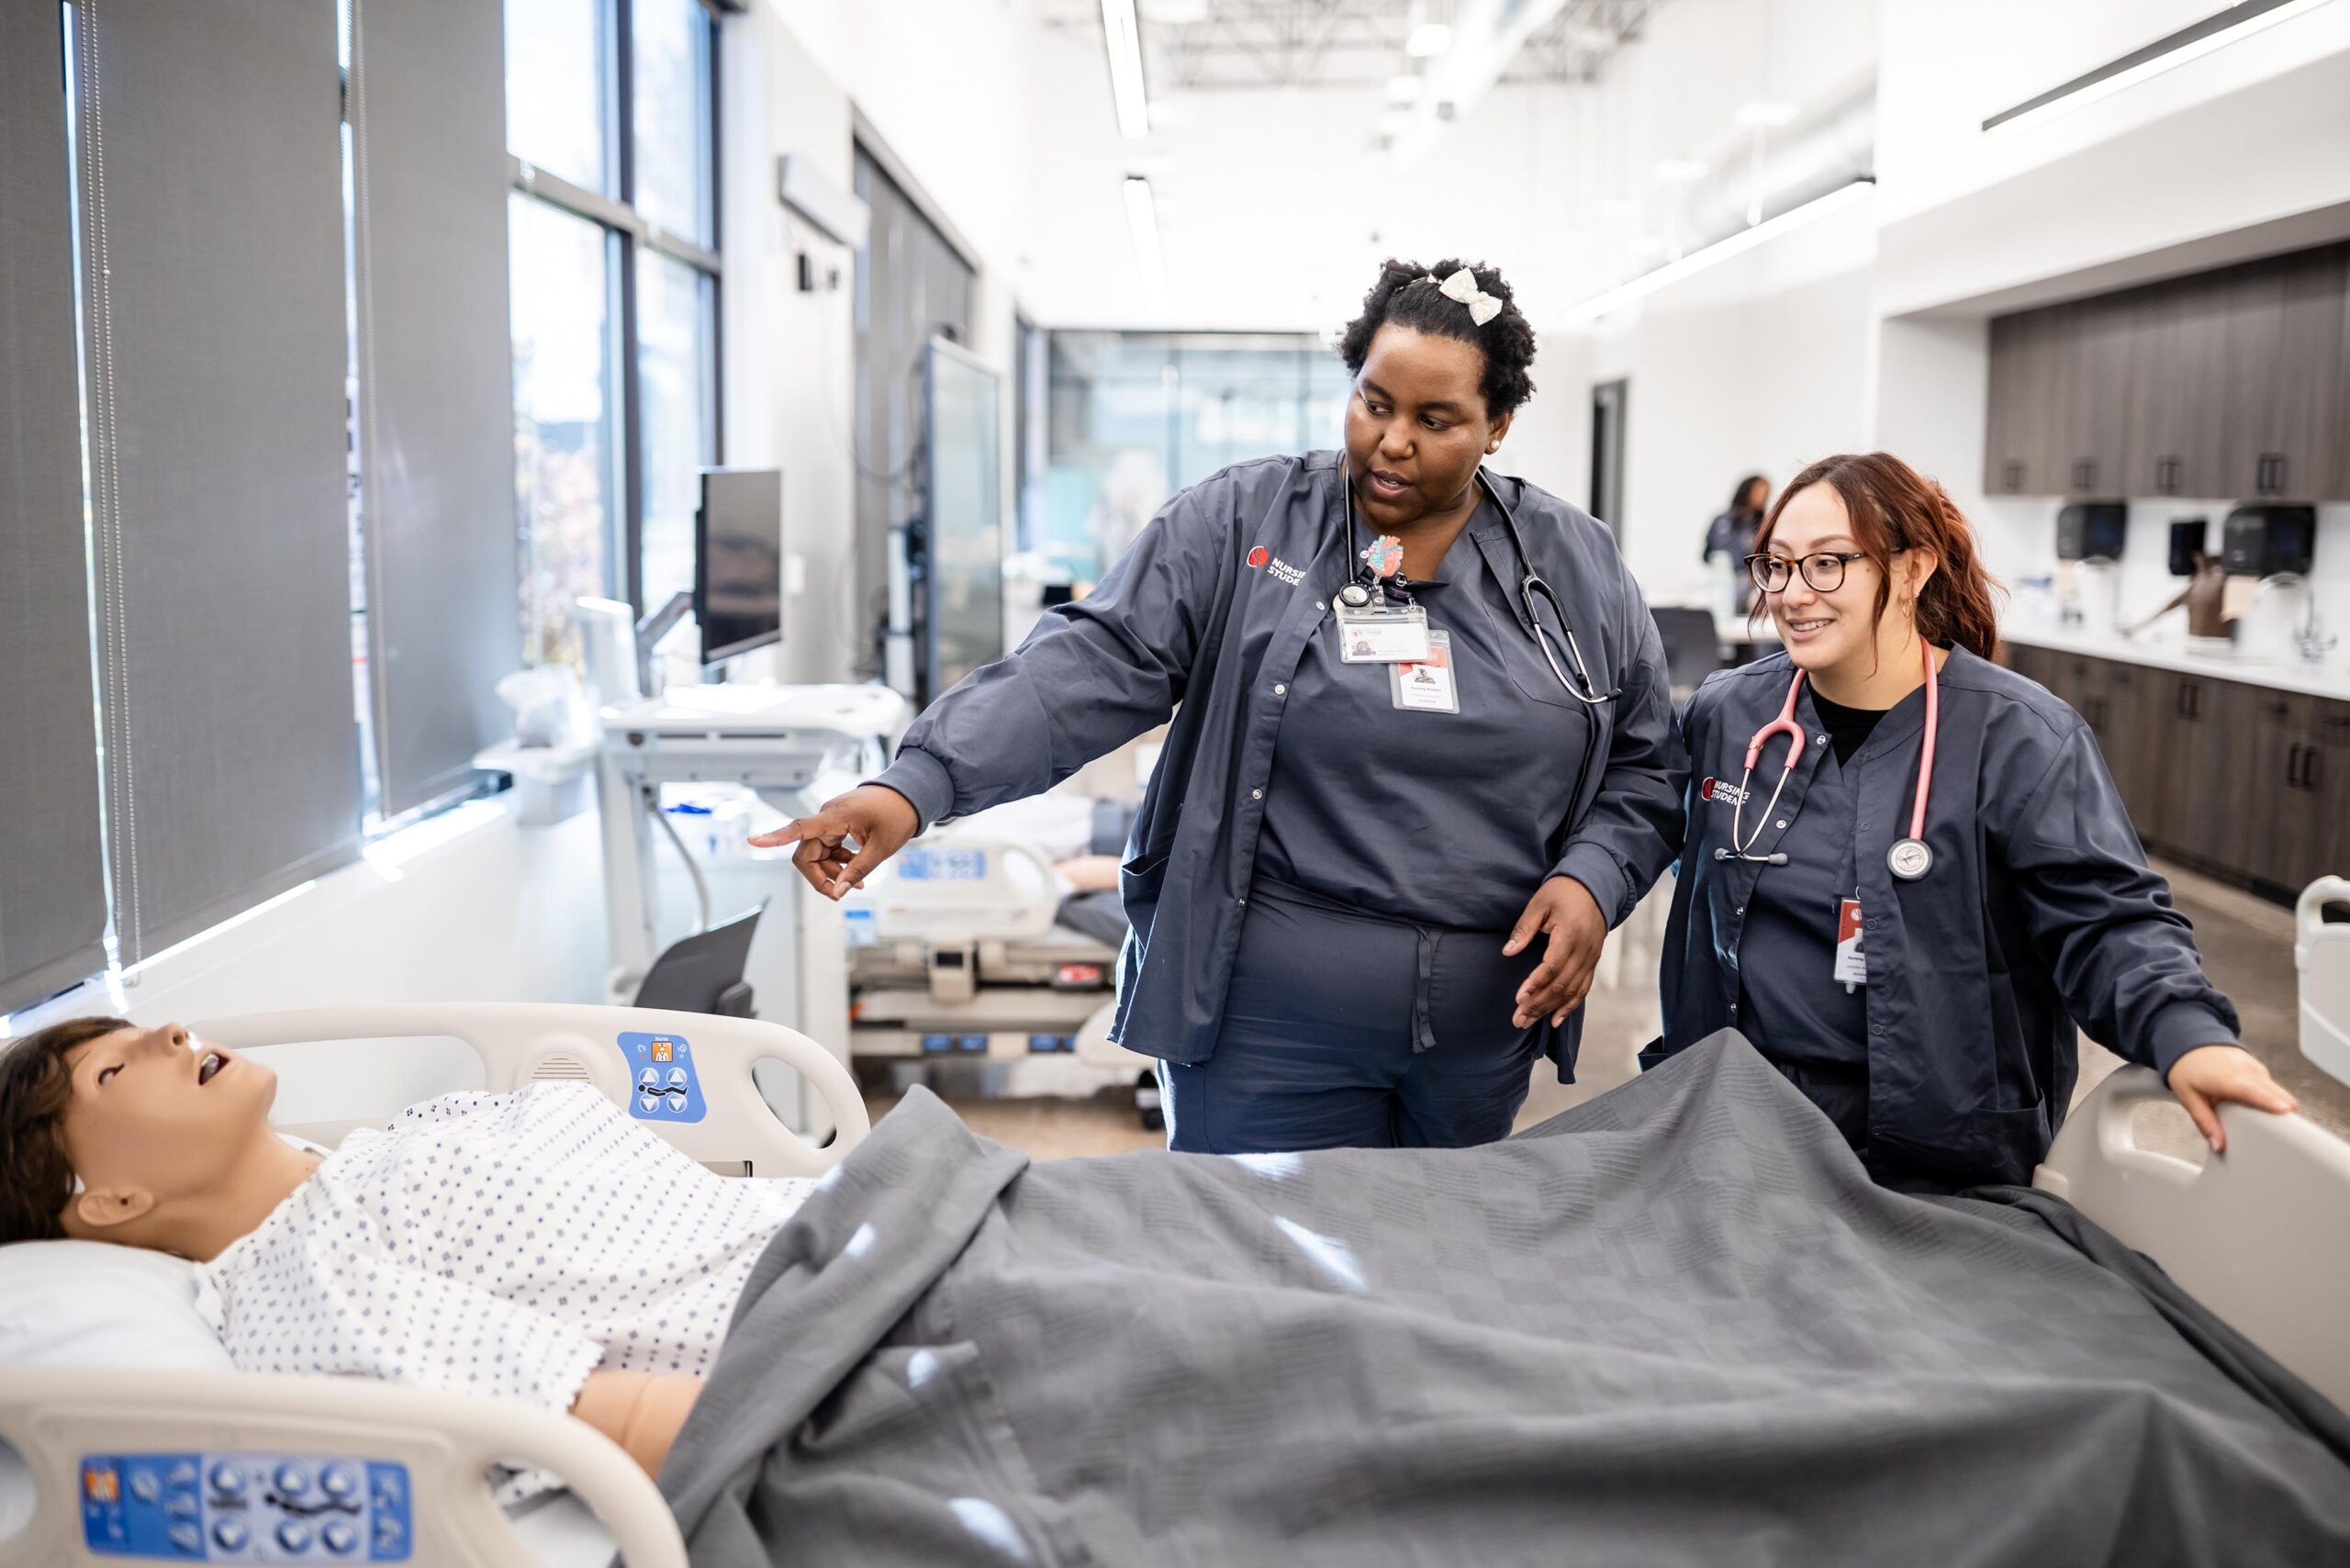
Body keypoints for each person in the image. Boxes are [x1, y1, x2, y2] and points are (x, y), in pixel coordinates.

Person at [758, 260, 1686, 1154]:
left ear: (1498, 426)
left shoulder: (1573, 565)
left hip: (1478, 1040)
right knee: (1251, 1279)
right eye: (1374, 401)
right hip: (1260, 1029)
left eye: (1436, 418)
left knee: (1425, 1279)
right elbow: (1090, 661)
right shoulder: (1247, 522)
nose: (1392, 440)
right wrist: (917, 785)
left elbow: (1646, 766)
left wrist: (1592, 879)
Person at [1651, 452, 2298, 1192]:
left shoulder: (2021, 739)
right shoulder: (1732, 713)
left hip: (1930, 1156)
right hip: (1731, 1123)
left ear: (1914, 567)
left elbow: (2107, 920)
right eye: (1777, 565)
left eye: (1828, 564)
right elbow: (1638, 816)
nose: (1794, 594)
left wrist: (2187, 1035)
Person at [0, 1016, 803, 1484]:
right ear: (108, 1202)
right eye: (114, 1070)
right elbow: (611, 1420)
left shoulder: (398, 1140)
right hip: (837, 1318)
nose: (172, 1033)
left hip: (839, 1229)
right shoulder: (304, 1280)